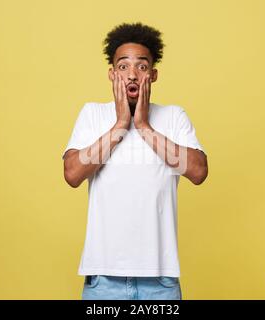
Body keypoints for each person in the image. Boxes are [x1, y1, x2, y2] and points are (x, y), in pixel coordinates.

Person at [62, 22, 208, 300]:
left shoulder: (174, 117)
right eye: (123, 66)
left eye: (141, 67)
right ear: (111, 74)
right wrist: (120, 126)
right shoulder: (92, 115)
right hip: (103, 278)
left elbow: (198, 171)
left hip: (161, 281)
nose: (132, 75)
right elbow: (72, 173)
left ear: (153, 75)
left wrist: (143, 127)